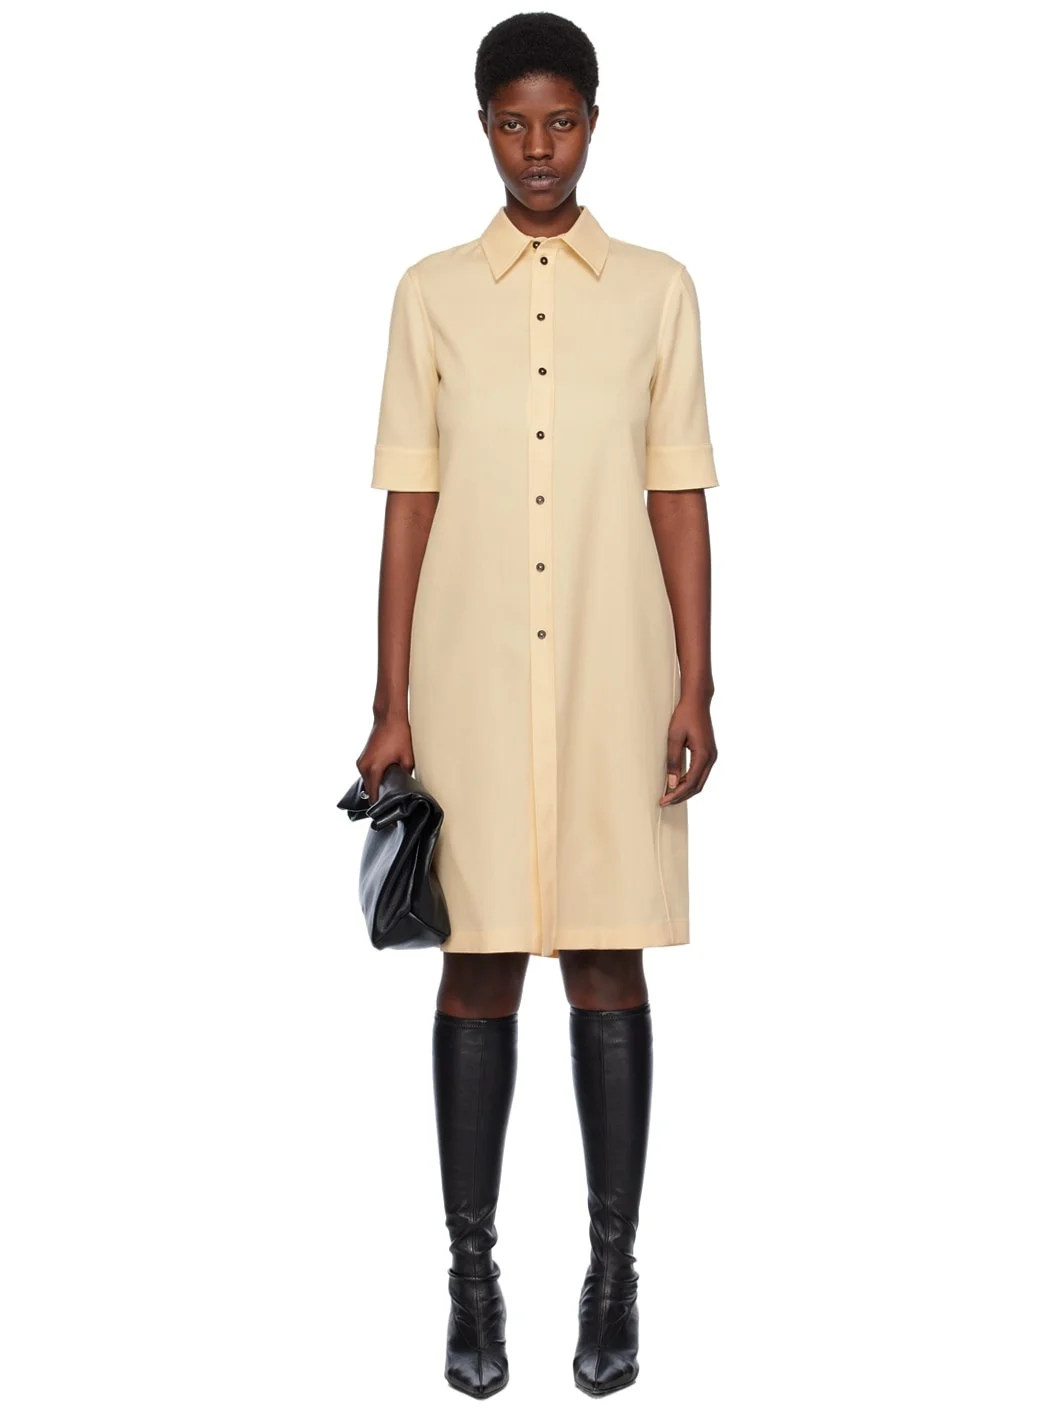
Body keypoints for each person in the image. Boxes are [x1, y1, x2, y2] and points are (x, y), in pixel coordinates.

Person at [356, 11, 719, 1399]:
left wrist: (696, 678)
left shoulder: (660, 290)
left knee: (610, 963)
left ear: (594, 122)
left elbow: (676, 495)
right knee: (478, 963)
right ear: (483, 129)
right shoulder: (430, 293)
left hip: (617, 673)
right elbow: (410, 503)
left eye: (559, 120)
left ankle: (612, 1278)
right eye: (512, 123)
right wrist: (390, 700)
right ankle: (472, 1281)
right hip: (469, 678)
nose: (538, 149)